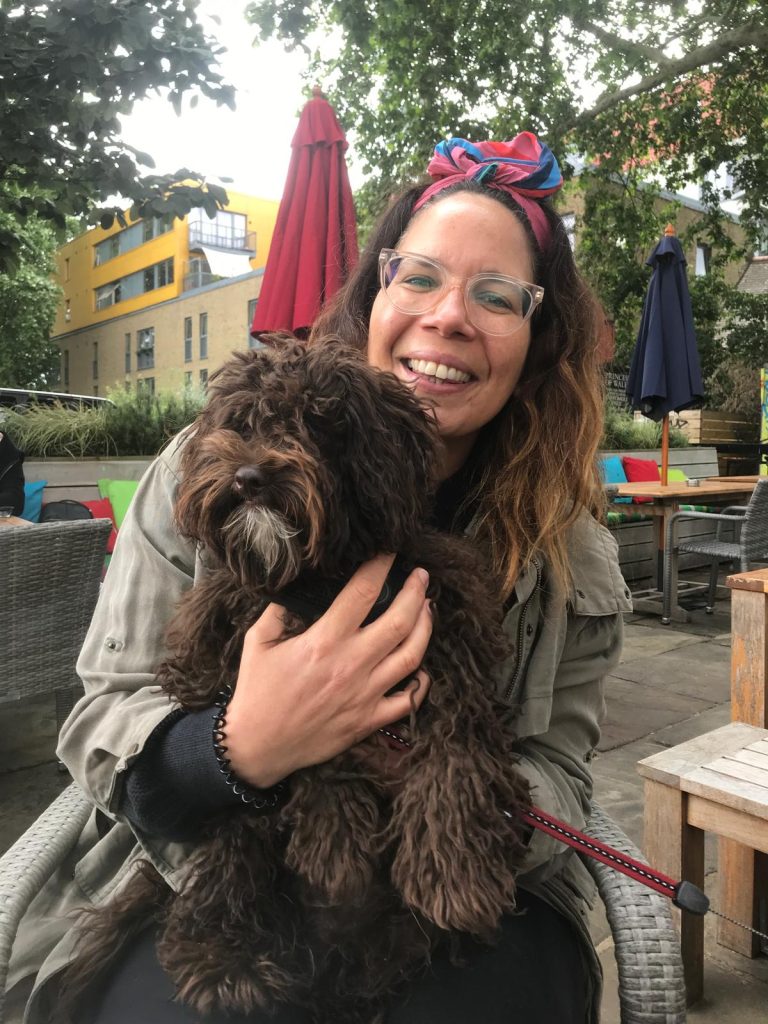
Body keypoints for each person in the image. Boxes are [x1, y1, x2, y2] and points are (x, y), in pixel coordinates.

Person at [6, 131, 631, 1024]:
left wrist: (432, 792)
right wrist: (240, 745)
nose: (448, 315)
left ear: (538, 341)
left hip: (457, 903)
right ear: (377, 291)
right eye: (418, 275)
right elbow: (110, 709)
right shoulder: (210, 470)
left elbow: (560, 771)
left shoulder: (571, 548)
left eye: (496, 294)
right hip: (203, 873)